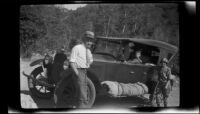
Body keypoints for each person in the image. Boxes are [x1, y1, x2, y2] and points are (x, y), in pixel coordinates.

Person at [69, 31, 95, 108]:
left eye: (91, 40)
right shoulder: (77, 48)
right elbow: (72, 62)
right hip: (78, 70)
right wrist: (77, 74)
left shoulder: (89, 51)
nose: (90, 42)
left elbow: (89, 63)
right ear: (84, 39)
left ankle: (78, 107)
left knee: (81, 92)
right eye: (88, 40)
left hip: (84, 71)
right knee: (82, 94)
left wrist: (88, 56)